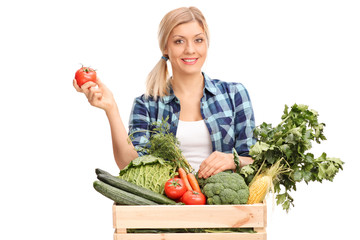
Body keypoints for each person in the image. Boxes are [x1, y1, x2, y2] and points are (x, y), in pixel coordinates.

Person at [73, 6, 256, 179]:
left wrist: (234, 160)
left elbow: (254, 162)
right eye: (179, 41)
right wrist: (111, 108)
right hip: (167, 207)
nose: (190, 49)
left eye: (198, 40)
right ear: (165, 48)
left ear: (207, 43)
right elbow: (131, 165)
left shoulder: (234, 95)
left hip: (223, 209)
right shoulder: (147, 105)